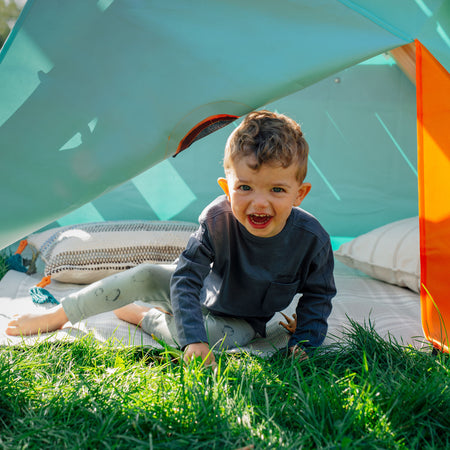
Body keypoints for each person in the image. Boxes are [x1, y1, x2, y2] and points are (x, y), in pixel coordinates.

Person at [6, 110, 336, 366]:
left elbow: (318, 295)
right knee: (145, 273)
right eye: (245, 187)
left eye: (277, 190)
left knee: (214, 338)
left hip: (242, 319)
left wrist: (304, 341)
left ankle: (143, 316)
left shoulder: (312, 240)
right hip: (202, 292)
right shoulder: (217, 219)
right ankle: (58, 315)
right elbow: (186, 277)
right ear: (226, 189)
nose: (259, 202)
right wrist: (191, 338)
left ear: (299, 194)